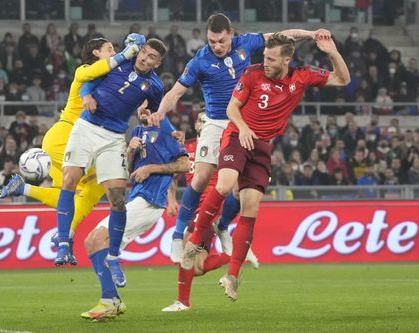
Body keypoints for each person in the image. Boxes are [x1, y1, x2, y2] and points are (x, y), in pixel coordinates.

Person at [181, 33, 350, 301]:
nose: (265, 62)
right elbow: (231, 109)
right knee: (224, 185)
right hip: (238, 136)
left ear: (287, 59)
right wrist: (245, 129)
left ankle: (232, 276)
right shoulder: (251, 73)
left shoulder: (301, 77)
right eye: (264, 57)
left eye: (271, 59)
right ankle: (195, 241)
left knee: (251, 208)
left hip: (261, 147)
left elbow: (343, 79)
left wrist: (332, 51)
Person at [150, 13, 330, 263]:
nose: (216, 46)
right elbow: (176, 92)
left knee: (238, 189)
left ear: (230, 34)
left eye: (221, 41)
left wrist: (311, 35)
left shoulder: (247, 43)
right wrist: (160, 112)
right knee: (201, 177)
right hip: (215, 122)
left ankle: (222, 226)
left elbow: (281, 37)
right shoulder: (199, 61)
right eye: (212, 41)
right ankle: (178, 236)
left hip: (245, 123)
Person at [0, 37, 143, 265]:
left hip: (79, 139)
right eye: (109, 49)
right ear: (96, 52)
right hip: (67, 136)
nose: (114, 52)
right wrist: (126, 53)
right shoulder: (84, 70)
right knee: (99, 184)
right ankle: (65, 235)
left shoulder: (107, 76)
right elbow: (104, 68)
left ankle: (26, 192)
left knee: (77, 194)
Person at [55, 37, 167, 288]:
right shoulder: (120, 62)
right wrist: (86, 97)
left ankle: (114, 255)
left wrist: (145, 115)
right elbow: (86, 82)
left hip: (114, 137)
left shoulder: (156, 86)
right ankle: (63, 243)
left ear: (157, 63)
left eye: (151, 58)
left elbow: (152, 114)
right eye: (144, 53)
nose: (144, 58)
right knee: (70, 179)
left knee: (117, 199)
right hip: (86, 127)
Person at [81, 104, 190, 321]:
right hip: (137, 199)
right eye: (140, 104)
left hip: (149, 203)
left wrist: (152, 171)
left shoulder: (166, 132)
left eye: (148, 106)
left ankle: (109, 301)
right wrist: (130, 151)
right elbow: (130, 171)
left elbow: (184, 164)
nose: (142, 108)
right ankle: (112, 300)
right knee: (93, 243)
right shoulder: (138, 133)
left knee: (97, 239)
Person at [162, 111, 259, 312]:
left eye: (205, 119)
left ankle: (183, 302)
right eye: (199, 120)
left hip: (210, 207)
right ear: (197, 125)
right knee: (196, 268)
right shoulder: (186, 147)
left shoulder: (224, 145)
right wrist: (171, 199)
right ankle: (236, 255)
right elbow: (173, 176)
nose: (202, 123)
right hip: (192, 207)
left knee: (187, 249)